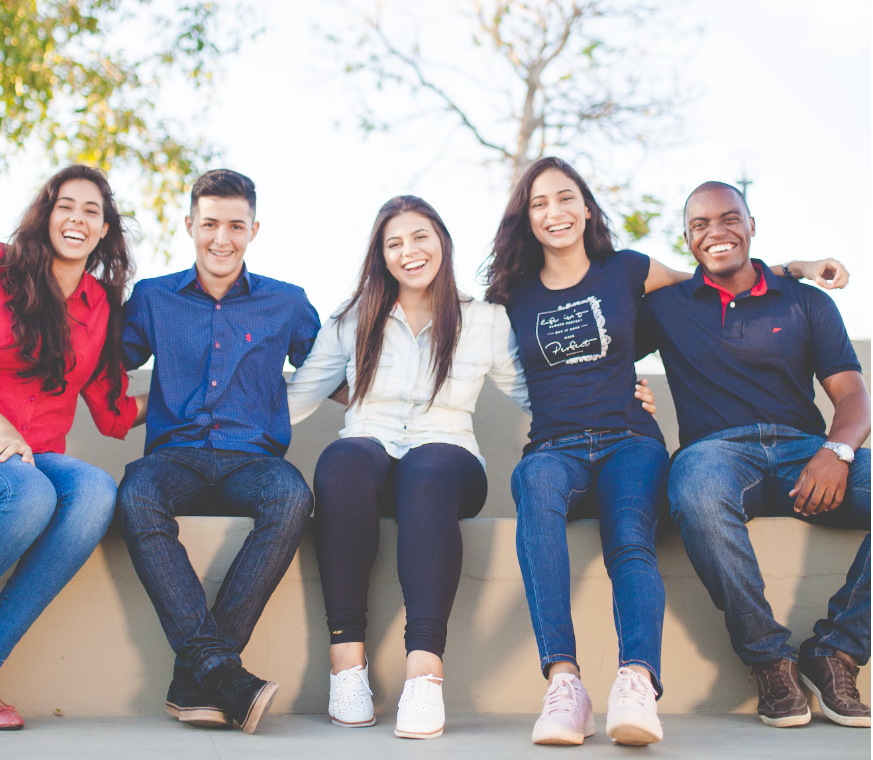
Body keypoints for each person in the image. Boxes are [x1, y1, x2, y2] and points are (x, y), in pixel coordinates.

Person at [481, 157, 845, 747]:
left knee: (629, 535)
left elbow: (716, 277)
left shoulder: (628, 270)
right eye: (540, 203)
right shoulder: (509, 295)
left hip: (630, 440)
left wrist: (795, 267)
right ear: (525, 217)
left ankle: (636, 682)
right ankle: (564, 684)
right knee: (536, 495)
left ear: (587, 207)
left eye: (567, 197)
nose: (556, 212)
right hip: (553, 446)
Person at [285, 195, 660, 740]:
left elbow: (541, 392)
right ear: (380, 255)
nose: (409, 251)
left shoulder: (484, 320)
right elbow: (298, 397)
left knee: (429, 470)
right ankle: (347, 666)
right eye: (394, 243)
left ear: (442, 243)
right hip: (368, 452)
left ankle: (424, 673)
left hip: (448, 460)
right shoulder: (353, 317)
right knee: (340, 461)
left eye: (420, 237)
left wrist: (614, 396)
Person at [638, 181, 870, 729]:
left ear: (751, 224)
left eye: (728, 219)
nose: (715, 232)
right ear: (687, 239)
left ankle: (836, 651)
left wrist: (837, 451)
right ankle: (770, 661)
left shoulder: (806, 300)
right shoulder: (666, 307)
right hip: (714, 455)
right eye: (700, 225)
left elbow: (853, 395)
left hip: (807, 454)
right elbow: (605, 296)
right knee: (693, 489)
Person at [0, 165, 146, 733]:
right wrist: (1, 429)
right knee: (28, 495)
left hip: (33, 454)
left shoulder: (101, 304)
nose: (77, 218)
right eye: (66, 206)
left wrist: (198, 393)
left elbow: (112, 410)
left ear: (104, 230)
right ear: (47, 214)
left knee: (96, 491)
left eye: (91, 211)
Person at [116, 169, 320, 735]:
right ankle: (222, 674)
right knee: (135, 494)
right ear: (190, 225)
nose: (221, 239)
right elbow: (105, 361)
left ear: (255, 229)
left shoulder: (287, 302)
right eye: (209, 224)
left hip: (253, 460)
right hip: (173, 457)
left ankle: (200, 675)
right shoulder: (154, 297)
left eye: (235, 225)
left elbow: (337, 366)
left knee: (292, 496)